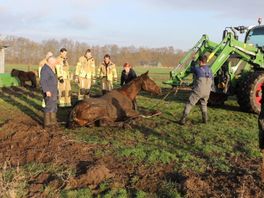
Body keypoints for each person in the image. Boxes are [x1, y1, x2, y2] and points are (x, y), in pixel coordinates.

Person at [179, 55, 213, 125]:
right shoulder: (210, 70)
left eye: (199, 62)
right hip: (207, 91)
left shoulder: (197, 69)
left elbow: (191, 68)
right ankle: (205, 120)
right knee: (204, 104)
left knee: (190, 103)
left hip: (198, 91)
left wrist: (193, 60)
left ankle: (183, 120)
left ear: (200, 61)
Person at [40, 56, 58, 129]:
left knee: (53, 106)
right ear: (50, 61)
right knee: (48, 107)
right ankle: (47, 124)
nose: (55, 63)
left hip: (53, 90)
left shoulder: (49, 68)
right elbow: (43, 81)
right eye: (54, 62)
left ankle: (53, 122)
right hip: (49, 91)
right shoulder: (45, 69)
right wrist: (46, 91)